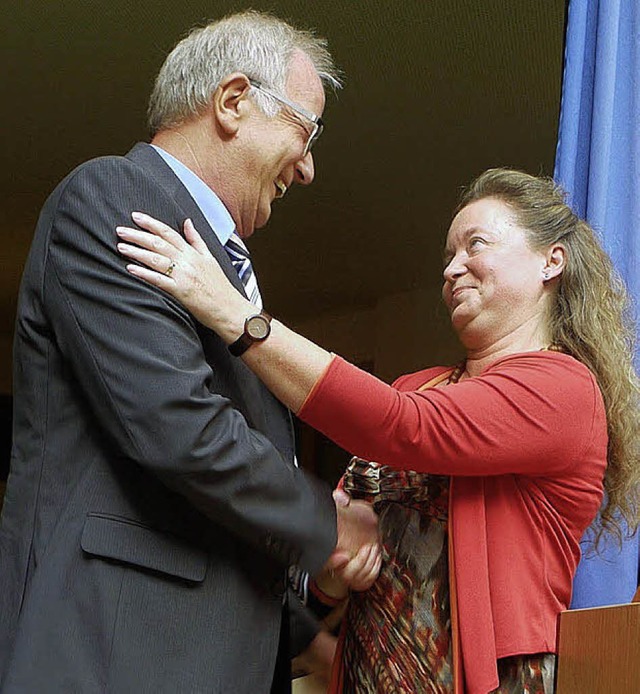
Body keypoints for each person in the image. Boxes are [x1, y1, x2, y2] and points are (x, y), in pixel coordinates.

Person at [114, 167, 640, 693]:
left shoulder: (564, 389)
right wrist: (333, 570)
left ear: (552, 261)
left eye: (475, 244)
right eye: (447, 257)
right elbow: (338, 528)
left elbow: (400, 426)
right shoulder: (418, 385)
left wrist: (237, 316)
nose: (453, 269)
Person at [0, 11, 381, 693]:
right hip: (115, 659)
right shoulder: (115, 195)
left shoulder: (220, 270)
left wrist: (307, 639)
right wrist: (331, 524)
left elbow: (194, 521)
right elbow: (180, 429)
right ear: (233, 102)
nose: (310, 165)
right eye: (306, 129)